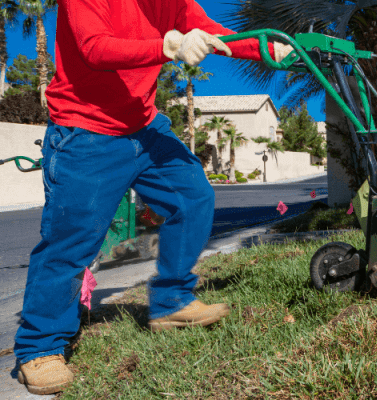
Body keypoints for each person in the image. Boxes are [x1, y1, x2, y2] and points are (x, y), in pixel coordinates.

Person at [13, 0, 292, 395]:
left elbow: (218, 35)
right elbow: (96, 48)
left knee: (192, 197)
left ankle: (172, 301)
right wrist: (168, 47)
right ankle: (39, 348)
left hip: (144, 124)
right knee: (71, 242)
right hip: (86, 131)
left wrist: (266, 47)